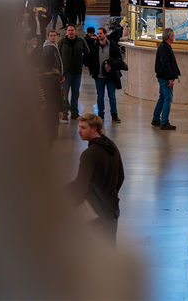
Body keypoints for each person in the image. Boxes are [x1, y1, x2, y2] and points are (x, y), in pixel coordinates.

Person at [68, 113, 124, 241]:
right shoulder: (112, 147)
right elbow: (121, 176)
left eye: (83, 128)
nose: (78, 131)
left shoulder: (89, 154)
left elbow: (81, 186)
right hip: (112, 210)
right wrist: (111, 194)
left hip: (96, 214)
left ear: (94, 129)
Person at [58, 25, 89, 122]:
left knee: (75, 93)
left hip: (77, 72)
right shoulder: (62, 42)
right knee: (65, 94)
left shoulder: (81, 41)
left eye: (72, 30)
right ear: (66, 32)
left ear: (75, 31)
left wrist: (82, 62)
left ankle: (74, 113)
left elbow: (87, 52)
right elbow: (58, 57)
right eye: (69, 30)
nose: (70, 32)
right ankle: (65, 112)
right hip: (66, 73)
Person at [152, 28, 180, 130]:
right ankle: (164, 122)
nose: (174, 37)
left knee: (162, 98)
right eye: (173, 35)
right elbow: (166, 64)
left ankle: (156, 119)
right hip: (165, 77)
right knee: (168, 99)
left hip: (162, 76)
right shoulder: (165, 48)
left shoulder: (164, 46)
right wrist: (170, 78)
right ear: (169, 37)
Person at [41, 29, 64, 142]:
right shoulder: (48, 47)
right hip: (51, 105)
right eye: (51, 35)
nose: (53, 37)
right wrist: (60, 109)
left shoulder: (54, 46)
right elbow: (57, 94)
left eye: (54, 35)